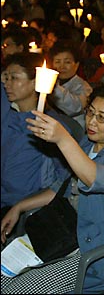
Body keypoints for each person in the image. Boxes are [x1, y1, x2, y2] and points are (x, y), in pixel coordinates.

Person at [1, 83, 104, 293]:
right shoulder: (89, 145)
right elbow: (60, 187)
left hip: (95, 250)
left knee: (18, 290)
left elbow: (97, 179)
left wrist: (63, 139)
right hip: (63, 232)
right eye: (90, 113)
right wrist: (18, 207)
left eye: (102, 118)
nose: (91, 122)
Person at [1, 53, 79, 219]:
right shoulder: (8, 114)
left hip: (19, 203)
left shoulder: (51, 128)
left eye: (14, 78)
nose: (7, 83)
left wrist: (21, 206)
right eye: (5, 77)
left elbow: (63, 183)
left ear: (35, 82)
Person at [47, 39, 93, 129]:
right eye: (57, 62)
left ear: (76, 65)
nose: (62, 66)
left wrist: (53, 85)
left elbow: (75, 107)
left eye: (67, 62)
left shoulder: (83, 86)